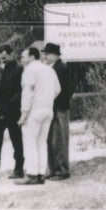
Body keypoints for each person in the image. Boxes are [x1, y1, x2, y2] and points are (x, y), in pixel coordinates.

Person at [18, 46, 60, 185]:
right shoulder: (49, 69)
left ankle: (31, 174)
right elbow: (57, 90)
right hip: (48, 110)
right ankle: (41, 174)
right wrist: (46, 100)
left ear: (32, 57)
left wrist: (24, 113)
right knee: (41, 142)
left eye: (24, 56)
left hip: (33, 111)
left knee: (30, 142)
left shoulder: (29, 70)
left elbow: (27, 93)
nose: (22, 59)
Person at [0, 43, 24, 180]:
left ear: (11, 54)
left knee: (16, 139)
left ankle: (19, 169)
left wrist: (10, 104)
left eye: (4, 57)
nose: (2, 60)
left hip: (13, 110)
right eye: (0, 58)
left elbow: (21, 90)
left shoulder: (19, 68)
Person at [43, 42, 71, 180]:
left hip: (60, 107)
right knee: (50, 139)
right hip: (51, 107)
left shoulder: (62, 68)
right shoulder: (51, 68)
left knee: (59, 139)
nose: (45, 56)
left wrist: (58, 103)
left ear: (55, 55)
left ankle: (62, 170)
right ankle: (52, 169)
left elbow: (67, 90)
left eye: (47, 54)